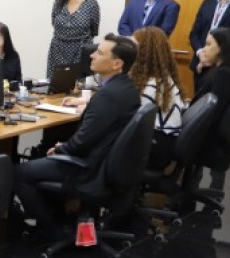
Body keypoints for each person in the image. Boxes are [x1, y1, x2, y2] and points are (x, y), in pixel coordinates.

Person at [15, 34, 140, 241]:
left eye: (99, 52)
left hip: (88, 168)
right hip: (104, 163)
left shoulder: (107, 96)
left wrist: (61, 148)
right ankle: (61, 217)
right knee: (43, 154)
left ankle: (52, 231)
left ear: (117, 64)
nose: (92, 55)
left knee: (18, 173)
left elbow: (82, 142)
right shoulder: (127, 88)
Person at [193, 26, 230, 190]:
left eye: (208, 44)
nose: (204, 49)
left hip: (210, 140)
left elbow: (212, 112)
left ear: (221, 48)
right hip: (221, 140)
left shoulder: (223, 74)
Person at [131, 26, 185, 170]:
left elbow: (130, 120)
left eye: (133, 47)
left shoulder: (151, 86)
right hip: (162, 143)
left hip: (153, 149)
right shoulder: (162, 79)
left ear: (144, 53)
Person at [47, 0, 100, 80]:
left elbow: (94, 30)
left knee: (79, 85)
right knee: (57, 83)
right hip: (58, 49)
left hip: (81, 50)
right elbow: (54, 23)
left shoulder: (91, 4)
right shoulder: (58, 3)